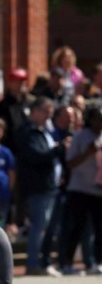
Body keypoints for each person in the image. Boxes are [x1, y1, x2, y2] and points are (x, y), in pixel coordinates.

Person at [14, 97, 63, 276]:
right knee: (38, 226)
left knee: (46, 226)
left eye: (50, 113)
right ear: (34, 111)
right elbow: (35, 156)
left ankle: (42, 262)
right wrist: (57, 149)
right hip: (38, 187)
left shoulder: (44, 131)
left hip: (49, 186)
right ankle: (33, 264)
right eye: (45, 112)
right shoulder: (28, 132)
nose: (48, 116)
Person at [61, 106, 102, 274]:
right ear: (90, 119)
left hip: (99, 191)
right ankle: (67, 263)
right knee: (77, 227)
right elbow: (70, 163)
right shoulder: (79, 136)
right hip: (80, 190)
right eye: (98, 118)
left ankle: (97, 263)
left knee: (100, 228)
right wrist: (87, 153)